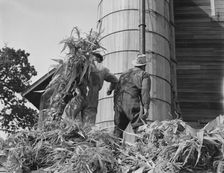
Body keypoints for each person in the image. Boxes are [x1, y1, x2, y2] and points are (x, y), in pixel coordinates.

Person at [113, 54, 151, 138]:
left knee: (118, 130)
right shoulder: (144, 74)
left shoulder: (124, 74)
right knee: (140, 128)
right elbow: (145, 92)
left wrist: (115, 107)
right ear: (144, 66)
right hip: (131, 103)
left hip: (119, 103)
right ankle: (142, 149)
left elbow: (116, 90)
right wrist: (146, 108)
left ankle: (113, 150)